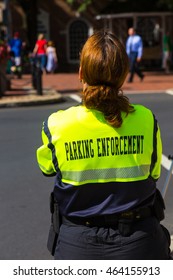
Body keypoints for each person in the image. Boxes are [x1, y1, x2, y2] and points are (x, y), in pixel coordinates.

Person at [36, 30, 171, 260]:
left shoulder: (56, 124)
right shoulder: (147, 120)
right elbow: (154, 172)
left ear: (81, 73)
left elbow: (47, 168)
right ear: (124, 75)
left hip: (77, 246)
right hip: (140, 245)